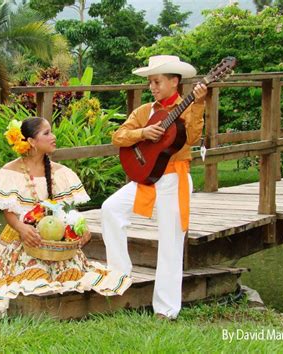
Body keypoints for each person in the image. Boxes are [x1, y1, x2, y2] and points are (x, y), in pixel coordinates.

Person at [0, 117, 132, 316]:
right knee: (29, 276)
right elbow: (8, 212)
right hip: (22, 236)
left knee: (74, 274)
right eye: (47, 133)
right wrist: (22, 228)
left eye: (51, 132)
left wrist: (80, 226)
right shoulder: (11, 171)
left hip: (54, 239)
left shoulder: (60, 173)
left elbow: (66, 209)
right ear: (32, 142)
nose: (53, 137)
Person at [101, 55, 207, 320]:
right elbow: (118, 136)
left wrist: (201, 102)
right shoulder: (145, 111)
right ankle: (120, 275)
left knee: (171, 242)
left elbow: (192, 138)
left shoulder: (188, 106)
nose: (152, 86)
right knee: (110, 209)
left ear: (174, 81)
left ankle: (166, 309)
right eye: (150, 81)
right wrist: (142, 133)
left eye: (157, 81)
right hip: (147, 178)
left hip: (174, 178)